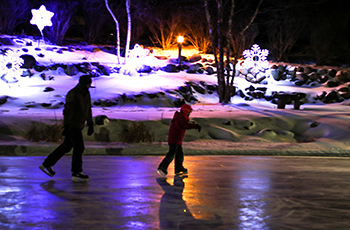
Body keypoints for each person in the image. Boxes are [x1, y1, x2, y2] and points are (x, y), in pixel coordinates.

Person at [39, 75, 94, 182]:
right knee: (78, 147)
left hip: (78, 124)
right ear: (83, 83)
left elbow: (88, 109)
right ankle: (76, 172)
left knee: (67, 146)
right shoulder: (73, 93)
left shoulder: (86, 93)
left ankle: (47, 164)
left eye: (89, 84)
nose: (88, 86)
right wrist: (67, 126)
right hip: (72, 125)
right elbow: (68, 111)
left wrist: (90, 123)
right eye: (87, 84)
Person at [157, 104, 201, 177]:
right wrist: (195, 126)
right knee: (172, 154)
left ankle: (179, 169)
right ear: (186, 111)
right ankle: (162, 167)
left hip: (177, 139)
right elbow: (185, 126)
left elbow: (184, 125)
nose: (190, 113)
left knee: (179, 155)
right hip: (175, 139)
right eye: (189, 112)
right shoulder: (181, 118)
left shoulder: (181, 117)